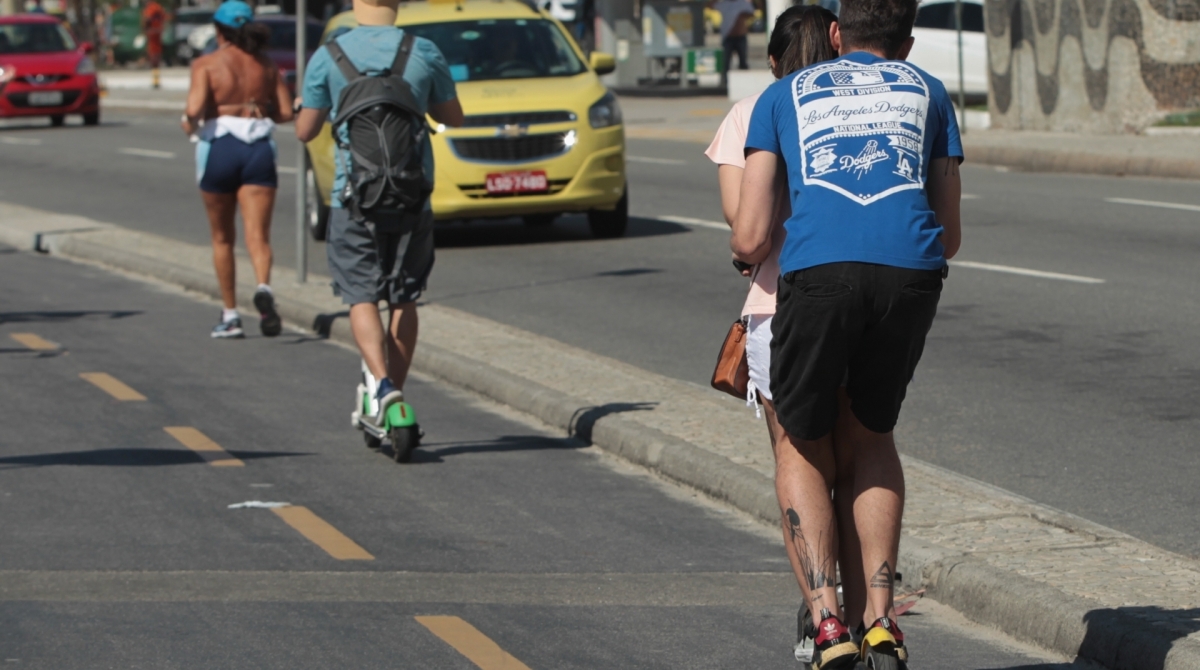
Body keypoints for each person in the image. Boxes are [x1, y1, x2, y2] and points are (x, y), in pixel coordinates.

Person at [732, 0, 962, 666]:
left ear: (836, 35)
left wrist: (743, 255)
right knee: (871, 436)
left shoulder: (783, 95)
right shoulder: (933, 94)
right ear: (909, 42)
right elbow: (949, 234)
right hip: (910, 277)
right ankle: (882, 621)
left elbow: (750, 235)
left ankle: (829, 624)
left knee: (802, 444)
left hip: (819, 277)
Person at [706, 6, 859, 664]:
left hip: (778, 309)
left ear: (772, 61)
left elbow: (747, 234)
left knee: (797, 467)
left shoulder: (750, 114)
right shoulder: (857, 105)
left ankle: (821, 617)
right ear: (838, 45)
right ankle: (858, 609)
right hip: (861, 302)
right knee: (853, 466)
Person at [295, 0, 463, 424]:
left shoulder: (329, 55)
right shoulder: (423, 51)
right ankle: (397, 400)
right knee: (405, 297)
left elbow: (305, 130)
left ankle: (383, 385)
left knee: (361, 294)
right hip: (413, 195)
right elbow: (453, 118)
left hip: (353, 199)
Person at [183, 0, 294, 339]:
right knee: (258, 235)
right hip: (258, 147)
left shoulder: (207, 63)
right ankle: (263, 287)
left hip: (221, 146)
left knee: (222, 238)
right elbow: (286, 112)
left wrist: (190, 123)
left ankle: (230, 315)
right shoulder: (265, 64)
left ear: (219, 31)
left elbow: (195, 108)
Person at [709, 0, 755, 72]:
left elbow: (751, 13)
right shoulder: (724, 4)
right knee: (725, 62)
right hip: (728, 36)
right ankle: (725, 81)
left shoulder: (743, 3)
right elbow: (711, 6)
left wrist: (742, 15)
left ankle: (744, 80)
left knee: (743, 61)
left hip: (740, 36)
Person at [141, 0, 166, 85]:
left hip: (152, 32)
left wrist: (145, 28)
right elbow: (164, 17)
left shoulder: (151, 7)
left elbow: (147, 18)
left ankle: (155, 79)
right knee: (157, 54)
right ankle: (156, 78)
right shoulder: (158, 7)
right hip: (158, 31)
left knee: (153, 55)